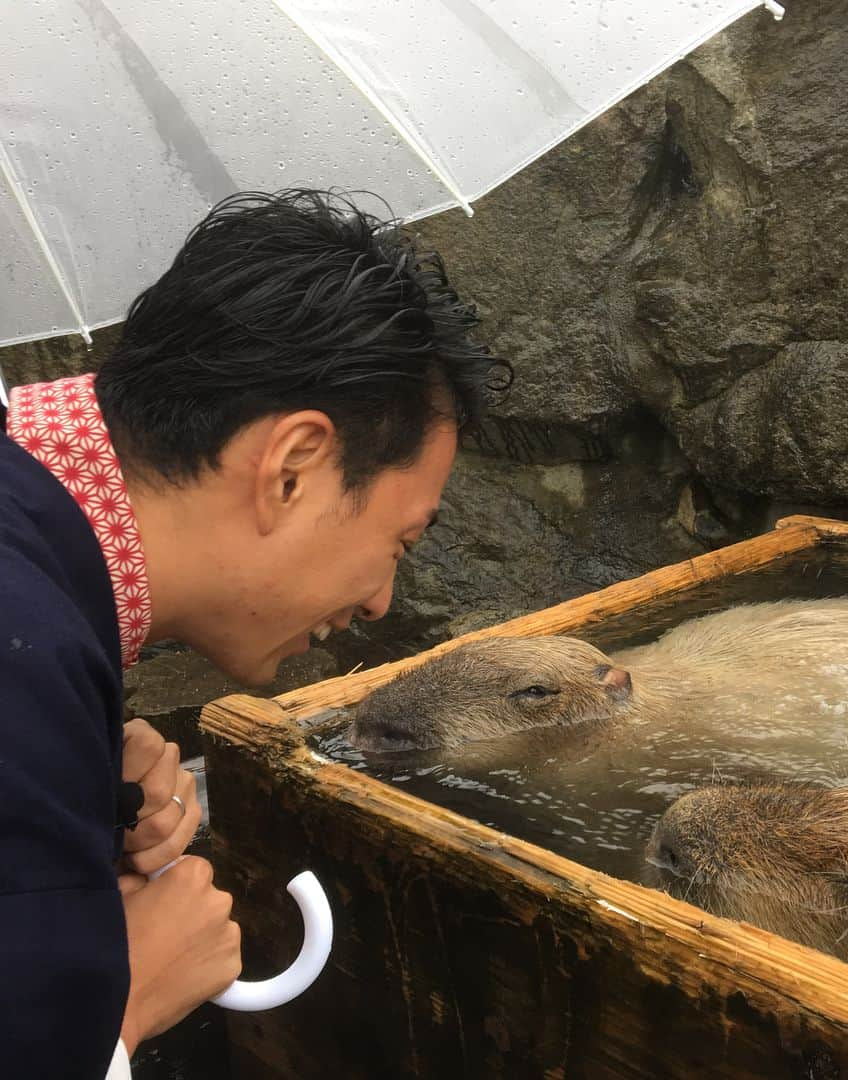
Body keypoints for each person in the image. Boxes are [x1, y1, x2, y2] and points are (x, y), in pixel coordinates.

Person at [0, 189, 510, 1079]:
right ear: (293, 469)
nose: (383, 601)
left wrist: (67, 790)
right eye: (401, 541)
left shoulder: (34, 579)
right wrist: (112, 1010)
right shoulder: (21, 650)